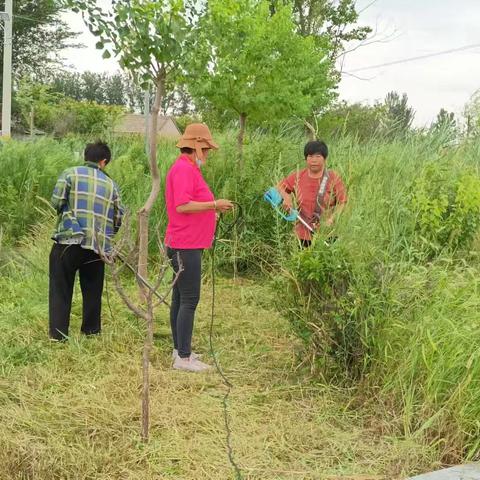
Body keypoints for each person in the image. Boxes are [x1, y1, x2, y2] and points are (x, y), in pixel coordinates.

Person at [165, 123, 233, 372]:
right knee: (189, 299)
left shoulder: (188, 168)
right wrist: (214, 204)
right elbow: (182, 205)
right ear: (196, 145)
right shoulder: (183, 169)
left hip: (186, 242)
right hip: (185, 245)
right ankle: (183, 357)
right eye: (207, 148)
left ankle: (179, 349)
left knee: (180, 297)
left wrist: (210, 210)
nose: (209, 153)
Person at [49, 141, 124, 341]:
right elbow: (118, 217)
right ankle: (91, 332)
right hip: (97, 246)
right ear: (103, 162)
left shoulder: (70, 173)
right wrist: (107, 235)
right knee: (93, 289)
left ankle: (58, 336)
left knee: (60, 287)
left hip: (68, 240)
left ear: (86, 156)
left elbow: (56, 202)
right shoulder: (112, 185)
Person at [277, 140, 347, 248]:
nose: (314, 160)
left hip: (327, 234)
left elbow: (343, 202)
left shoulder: (333, 178)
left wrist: (332, 218)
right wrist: (286, 198)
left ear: (325, 158)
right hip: (302, 233)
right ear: (306, 158)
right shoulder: (298, 175)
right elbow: (279, 187)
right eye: (310, 156)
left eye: (318, 156)